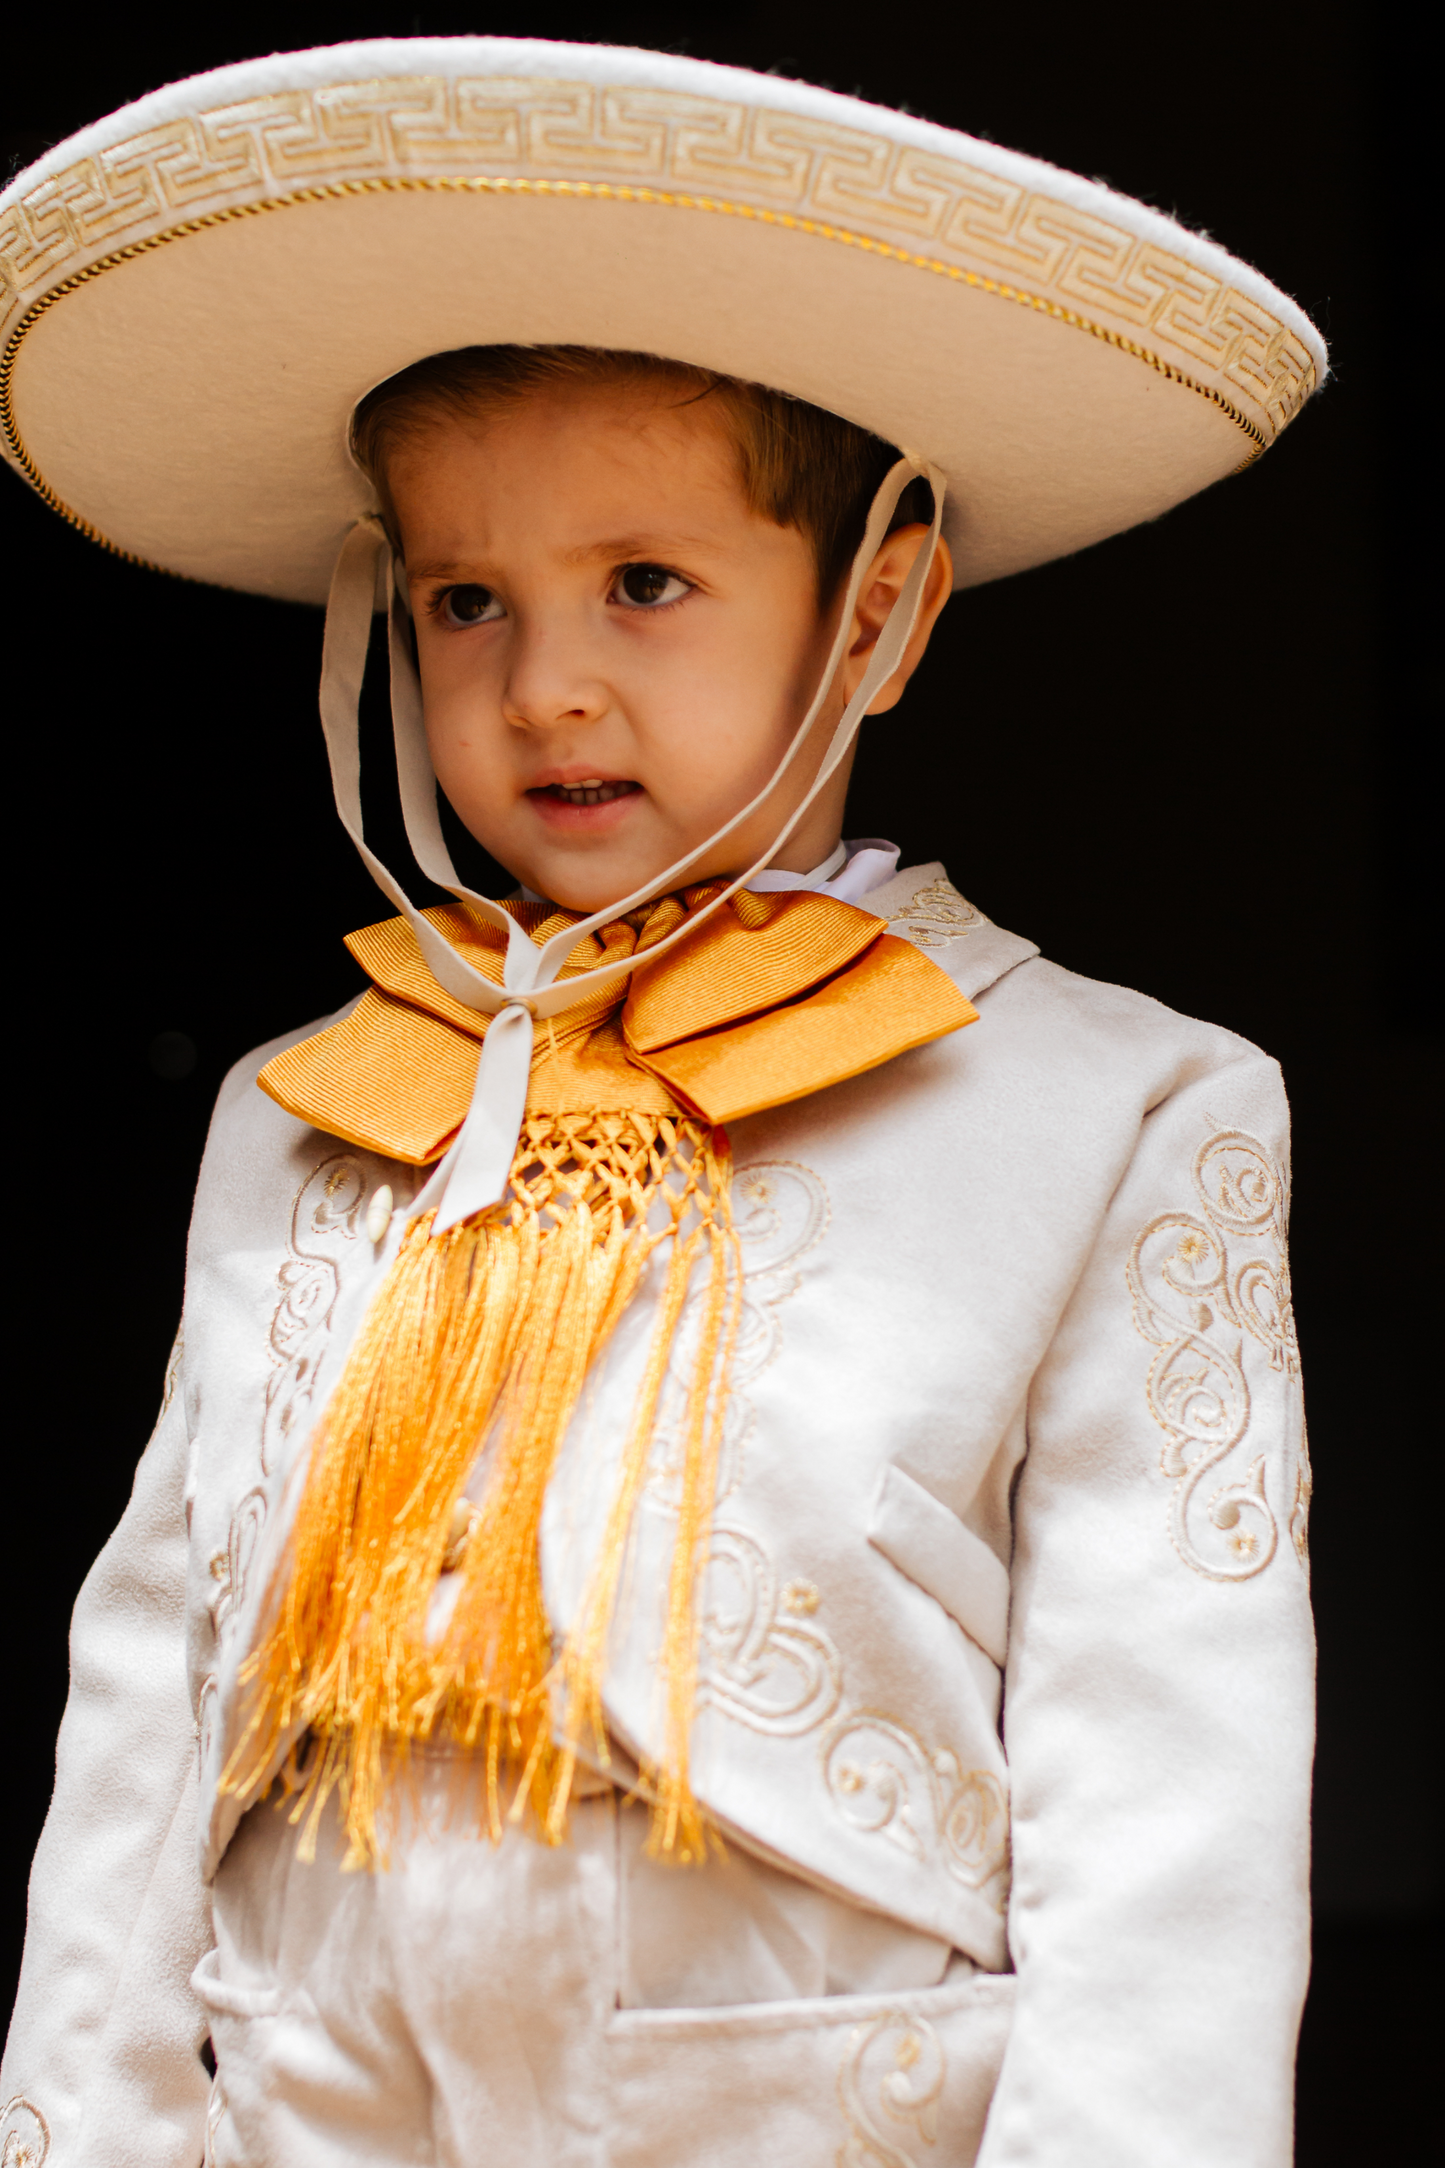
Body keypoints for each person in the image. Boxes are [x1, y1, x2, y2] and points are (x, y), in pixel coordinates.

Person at [0, 35, 1322, 2168]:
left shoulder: (1109, 1112)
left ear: (876, 605)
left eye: (644, 582)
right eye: (463, 601)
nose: (544, 687)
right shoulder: (313, 1107)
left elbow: (1164, 1811)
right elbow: (156, 1704)